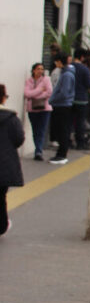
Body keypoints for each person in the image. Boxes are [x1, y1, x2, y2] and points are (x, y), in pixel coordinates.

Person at [0, 84, 24, 234]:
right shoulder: (11, 118)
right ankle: (1, 225)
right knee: (1, 196)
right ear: (3, 98)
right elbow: (19, 139)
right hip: (4, 163)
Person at [48, 53, 75, 164]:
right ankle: (60, 154)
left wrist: (53, 99)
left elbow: (64, 92)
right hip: (62, 105)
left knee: (62, 130)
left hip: (62, 105)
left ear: (60, 62)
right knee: (61, 129)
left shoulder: (67, 75)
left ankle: (62, 155)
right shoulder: (66, 73)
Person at [24, 61, 52, 160]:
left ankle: (38, 151)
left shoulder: (46, 79)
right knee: (35, 130)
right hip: (32, 109)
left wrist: (34, 95)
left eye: (42, 69)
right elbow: (27, 94)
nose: (40, 71)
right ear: (33, 70)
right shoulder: (29, 81)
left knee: (41, 130)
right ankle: (38, 149)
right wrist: (40, 90)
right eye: (38, 69)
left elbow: (49, 92)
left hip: (45, 109)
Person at [72, 48, 90, 149]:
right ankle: (80, 143)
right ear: (82, 57)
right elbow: (89, 84)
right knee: (80, 122)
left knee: (69, 122)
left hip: (69, 99)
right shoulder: (85, 69)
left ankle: (68, 141)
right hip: (81, 99)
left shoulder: (69, 67)